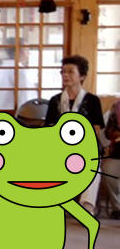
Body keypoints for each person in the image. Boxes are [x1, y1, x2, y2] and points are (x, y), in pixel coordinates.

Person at [44, 55, 104, 213]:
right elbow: (49, 127)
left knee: (93, 167)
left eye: (70, 72)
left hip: (86, 146)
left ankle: (87, 206)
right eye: (63, 72)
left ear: (82, 76)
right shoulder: (55, 100)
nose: (65, 75)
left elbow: (96, 128)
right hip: (59, 146)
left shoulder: (92, 100)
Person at [102, 100, 120, 219]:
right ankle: (117, 208)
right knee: (108, 169)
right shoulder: (116, 107)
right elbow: (109, 133)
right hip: (118, 154)